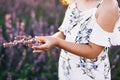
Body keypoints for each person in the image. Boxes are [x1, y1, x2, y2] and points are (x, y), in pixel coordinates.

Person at [31, 0, 119, 80]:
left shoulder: (108, 6)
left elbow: (94, 51)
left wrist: (56, 42)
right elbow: (65, 33)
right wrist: (47, 40)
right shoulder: (75, 1)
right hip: (68, 68)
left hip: (89, 75)